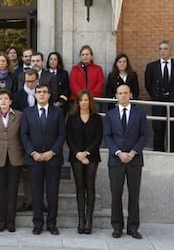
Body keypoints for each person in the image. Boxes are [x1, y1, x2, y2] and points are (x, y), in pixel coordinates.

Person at [103, 84, 148, 239]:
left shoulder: (139, 113)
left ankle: (133, 227)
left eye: (125, 93)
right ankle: (117, 226)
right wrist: (119, 152)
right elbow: (107, 136)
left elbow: (143, 135)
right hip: (116, 160)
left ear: (131, 95)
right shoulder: (110, 115)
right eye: (120, 93)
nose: (123, 95)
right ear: (116, 96)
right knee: (116, 195)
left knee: (134, 195)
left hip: (135, 160)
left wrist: (133, 152)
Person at [20, 84, 65, 236]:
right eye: (38, 92)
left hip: (53, 159)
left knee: (52, 192)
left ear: (49, 95)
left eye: (44, 92)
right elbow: (24, 135)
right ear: (35, 95)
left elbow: (61, 135)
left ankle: (52, 223)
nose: (41, 94)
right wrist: (33, 152)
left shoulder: (58, 112)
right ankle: (37, 223)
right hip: (35, 159)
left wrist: (52, 152)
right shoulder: (27, 112)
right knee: (36, 192)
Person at [66, 90, 103, 234]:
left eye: (86, 100)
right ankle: (81, 221)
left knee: (90, 187)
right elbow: (69, 138)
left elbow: (98, 138)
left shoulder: (97, 118)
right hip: (76, 157)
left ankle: (89, 221)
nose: (83, 102)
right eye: (81, 100)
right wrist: (78, 154)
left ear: (90, 102)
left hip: (92, 156)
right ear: (78, 102)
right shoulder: (71, 118)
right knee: (80, 188)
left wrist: (87, 152)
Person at [0, 89, 24, 232]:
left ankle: (11, 221)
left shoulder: (19, 116)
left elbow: (22, 136)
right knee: (0, 191)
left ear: (11, 101)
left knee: (13, 191)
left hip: (15, 157)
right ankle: (1, 220)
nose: (3, 101)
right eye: (0, 99)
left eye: (6, 98)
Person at [13, 68, 38, 212]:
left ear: (37, 80)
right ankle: (28, 200)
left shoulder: (43, 94)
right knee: (27, 173)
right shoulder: (17, 96)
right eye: (27, 81)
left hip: (41, 138)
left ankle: (40, 201)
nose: (29, 84)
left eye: (32, 81)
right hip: (23, 137)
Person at [145, 40, 174, 151]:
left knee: (173, 130)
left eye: (165, 49)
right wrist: (156, 96)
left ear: (170, 50)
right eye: (160, 49)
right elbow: (148, 84)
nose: (163, 51)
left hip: (172, 103)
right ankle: (158, 152)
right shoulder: (151, 66)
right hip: (158, 102)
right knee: (158, 130)